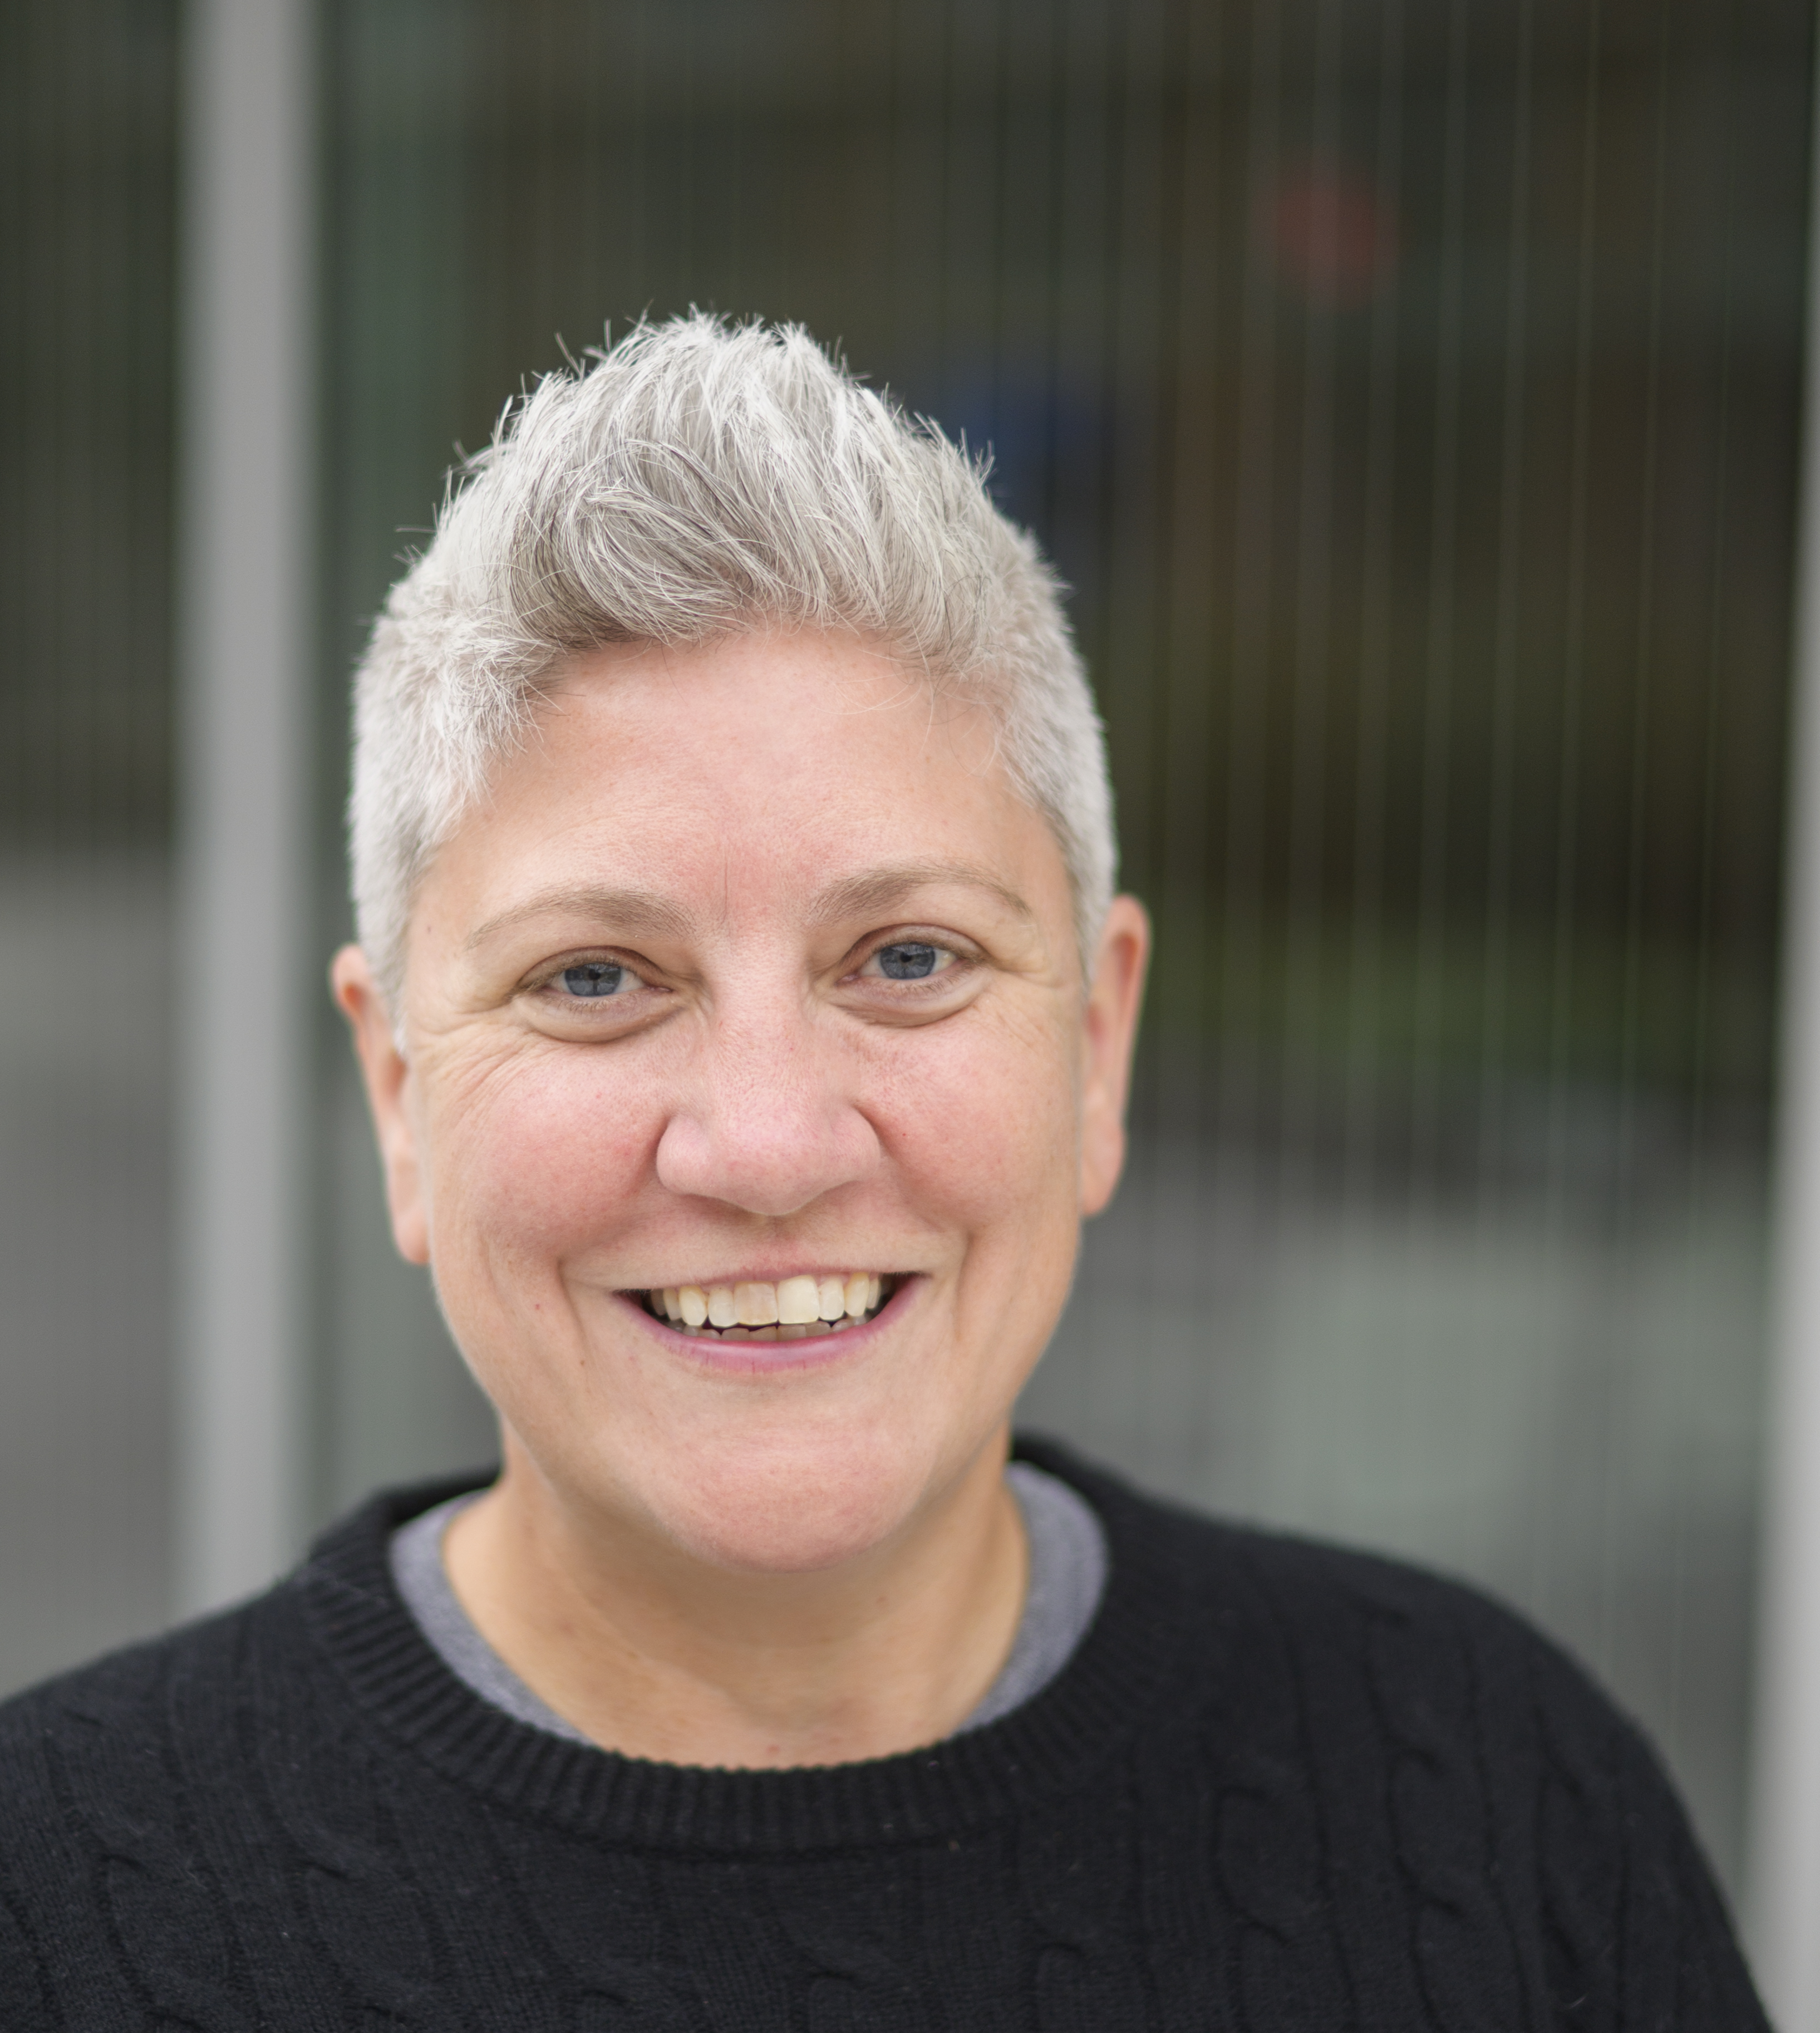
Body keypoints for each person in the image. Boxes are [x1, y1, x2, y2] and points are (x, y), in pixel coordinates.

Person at [0, 315, 1764, 2029]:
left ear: (1096, 1046)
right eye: (595, 978)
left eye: (907, 958)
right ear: (400, 1095)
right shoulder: (56, 1911)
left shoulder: (1497, 1805)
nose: (769, 1146)